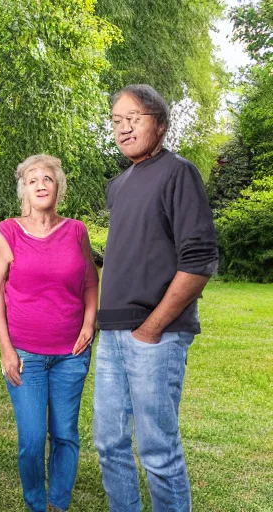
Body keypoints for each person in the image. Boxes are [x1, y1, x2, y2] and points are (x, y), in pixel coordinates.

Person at [93, 84, 219, 512]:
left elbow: (199, 260)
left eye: (134, 118)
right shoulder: (118, 185)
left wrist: (151, 328)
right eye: (116, 120)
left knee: (158, 453)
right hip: (110, 335)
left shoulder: (178, 172)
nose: (124, 127)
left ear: (160, 125)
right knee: (109, 444)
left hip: (155, 336)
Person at [0, 154, 98, 512]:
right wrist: (6, 349)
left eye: (47, 179)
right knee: (32, 441)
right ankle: (37, 504)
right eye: (33, 179)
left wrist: (88, 323)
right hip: (26, 355)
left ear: (58, 188)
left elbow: (90, 280)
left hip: (71, 354)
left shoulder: (77, 231)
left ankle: (58, 505)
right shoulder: (8, 231)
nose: (40, 184)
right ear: (24, 189)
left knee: (65, 435)